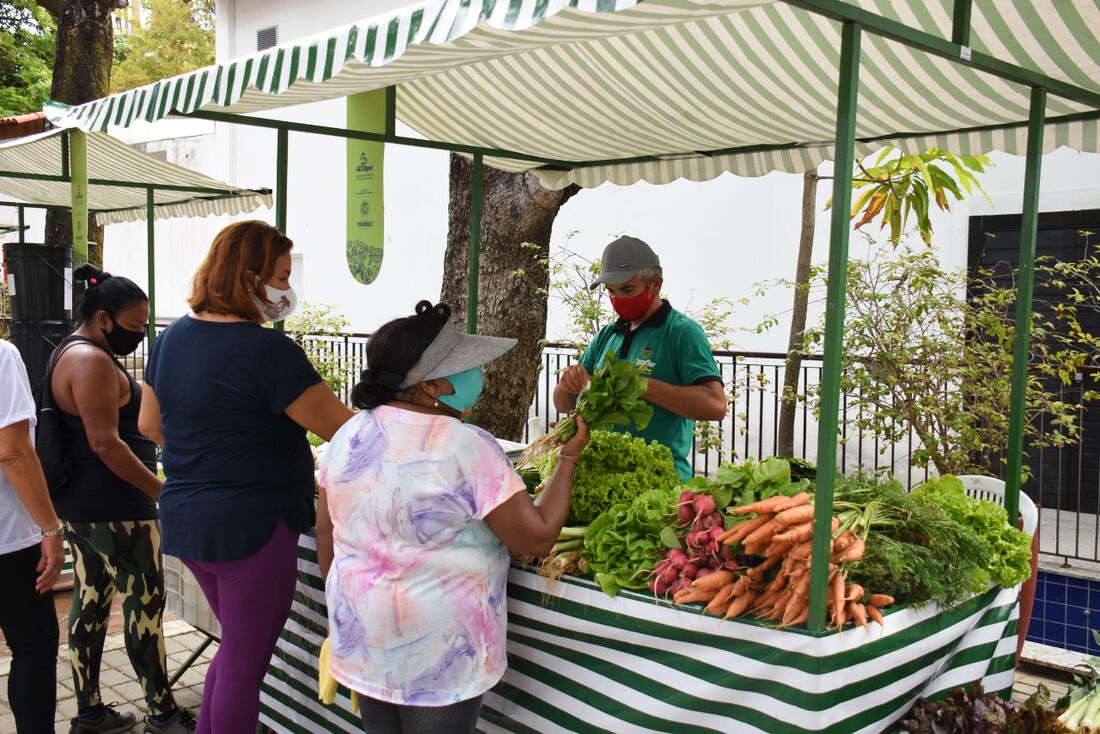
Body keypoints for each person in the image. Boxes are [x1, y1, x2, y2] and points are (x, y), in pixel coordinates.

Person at [315, 300, 590, 734]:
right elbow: (535, 538)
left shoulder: (348, 434)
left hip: (365, 637)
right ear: (429, 386)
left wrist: (351, 606)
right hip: (440, 652)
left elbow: (326, 531)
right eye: (466, 367)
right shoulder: (467, 445)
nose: (478, 375)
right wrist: (569, 458)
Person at [139, 220, 354, 734]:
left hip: (189, 517)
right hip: (253, 525)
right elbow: (341, 429)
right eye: (281, 275)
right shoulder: (267, 351)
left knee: (235, 648)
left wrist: (210, 451)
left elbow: (150, 424)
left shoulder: (172, 337)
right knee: (244, 660)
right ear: (251, 278)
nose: (286, 288)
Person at [49, 265, 193, 734]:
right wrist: (162, 492)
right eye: (134, 326)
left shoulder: (67, 352)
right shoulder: (91, 361)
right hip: (118, 510)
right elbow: (106, 443)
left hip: (83, 509)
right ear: (104, 318)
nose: (140, 334)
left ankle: (90, 712)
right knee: (144, 608)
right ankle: (162, 713)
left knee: (89, 602)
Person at [553, 235, 726, 480]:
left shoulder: (682, 333)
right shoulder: (607, 334)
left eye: (627, 290)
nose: (618, 299)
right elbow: (562, 405)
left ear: (655, 285)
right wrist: (566, 384)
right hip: (601, 476)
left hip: (661, 480)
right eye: (611, 291)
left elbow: (716, 406)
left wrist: (639, 384)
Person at [0, 337, 64, 732]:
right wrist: (51, 529)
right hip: (7, 538)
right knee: (34, 645)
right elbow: (13, 451)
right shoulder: (3, 356)